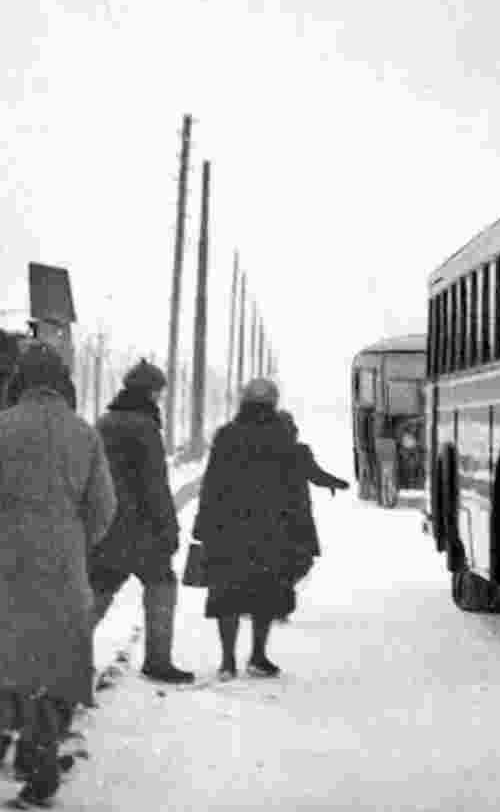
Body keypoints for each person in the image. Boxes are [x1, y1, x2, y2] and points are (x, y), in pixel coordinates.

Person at [0, 342, 116, 807]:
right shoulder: (84, 434)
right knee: (53, 666)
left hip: (4, 567)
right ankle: (41, 768)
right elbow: (104, 508)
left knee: (6, 659)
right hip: (63, 569)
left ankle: (13, 743)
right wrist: (71, 540)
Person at [193, 378, 317, 680]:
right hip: (272, 530)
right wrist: (303, 533)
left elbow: (211, 484)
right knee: (265, 592)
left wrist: (204, 525)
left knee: (227, 593)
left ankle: (226, 662)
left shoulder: (226, 435)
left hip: (228, 528)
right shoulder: (282, 437)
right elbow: (296, 492)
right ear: (274, 403)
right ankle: (258, 657)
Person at [88, 359, 194, 685]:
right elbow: (154, 484)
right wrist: (169, 528)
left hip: (105, 525)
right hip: (142, 528)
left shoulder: (103, 423)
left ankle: (65, 653)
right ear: (151, 392)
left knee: (99, 589)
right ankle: (158, 661)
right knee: (162, 584)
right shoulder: (145, 426)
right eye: (159, 392)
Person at [278, 411, 350, 494]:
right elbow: (317, 476)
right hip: (295, 504)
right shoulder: (299, 452)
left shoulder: (261, 452)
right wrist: (337, 483)